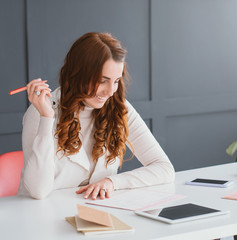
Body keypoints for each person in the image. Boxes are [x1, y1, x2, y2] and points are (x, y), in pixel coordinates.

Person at [18, 32, 175, 200]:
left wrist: (112, 182)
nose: (109, 92)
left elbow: (164, 168)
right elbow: (38, 191)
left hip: (95, 215)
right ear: (78, 74)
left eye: (116, 81)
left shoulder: (119, 107)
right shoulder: (42, 112)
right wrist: (46, 118)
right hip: (41, 216)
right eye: (102, 81)